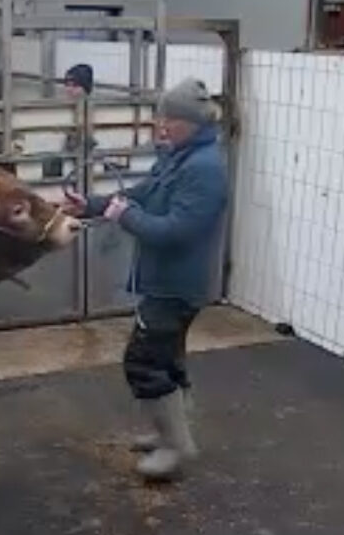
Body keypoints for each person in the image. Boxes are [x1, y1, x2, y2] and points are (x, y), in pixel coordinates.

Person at [63, 78, 227, 482]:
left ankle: (177, 447)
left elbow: (175, 231)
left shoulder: (205, 169)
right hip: (164, 280)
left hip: (177, 284)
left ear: (189, 122)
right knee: (167, 358)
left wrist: (125, 218)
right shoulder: (180, 155)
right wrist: (96, 204)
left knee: (143, 361)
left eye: (168, 118)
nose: (161, 125)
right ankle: (168, 432)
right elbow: (147, 191)